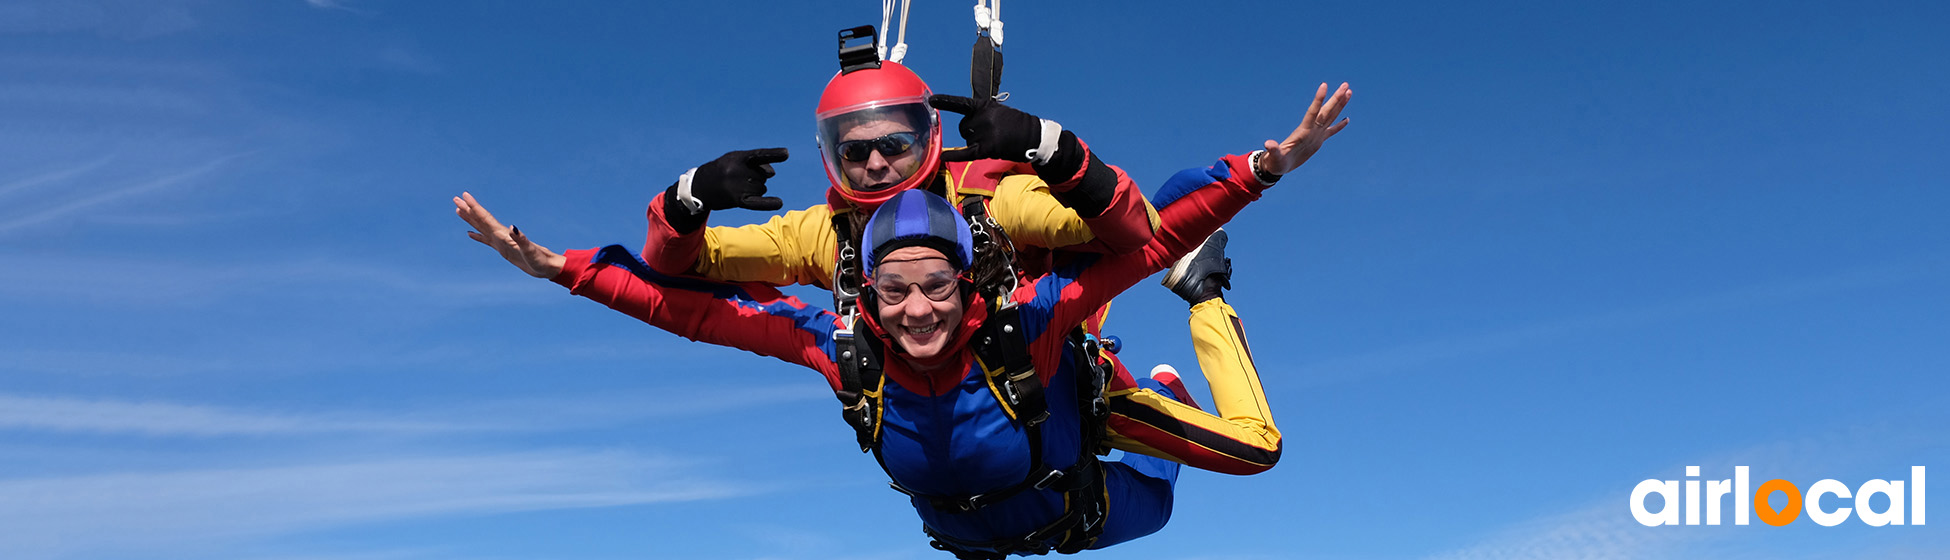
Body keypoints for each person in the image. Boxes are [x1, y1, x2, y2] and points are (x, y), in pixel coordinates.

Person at [453, 81, 1350, 557]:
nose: (917, 307)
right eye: (895, 291)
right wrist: (577, 256)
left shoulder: (1011, 260)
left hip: (1071, 429)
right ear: (864, 290)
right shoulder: (835, 332)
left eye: (936, 287)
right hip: (986, 525)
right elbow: (682, 303)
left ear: (969, 282)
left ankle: (1195, 325)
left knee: (1249, 452)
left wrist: (1266, 165)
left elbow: (1145, 237)